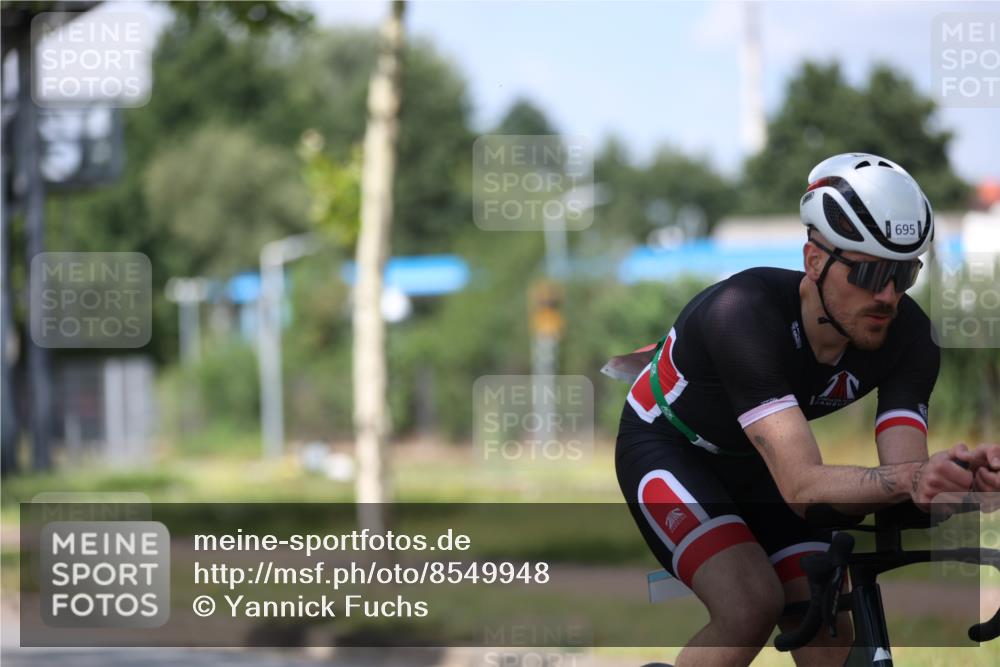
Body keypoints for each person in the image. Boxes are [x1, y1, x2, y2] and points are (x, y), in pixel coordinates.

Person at [608, 153, 1000, 667]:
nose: (887, 295)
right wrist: (911, 478)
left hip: (759, 465)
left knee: (824, 622)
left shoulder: (910, 337)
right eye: (867, 271)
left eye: (903, 274)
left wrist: (956, 485)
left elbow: (905, 480)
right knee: (750, 603)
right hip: (672, 447)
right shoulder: (742, 314)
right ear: (814, 260)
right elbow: (800, 485)